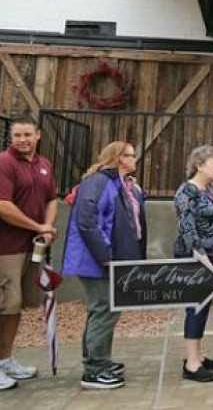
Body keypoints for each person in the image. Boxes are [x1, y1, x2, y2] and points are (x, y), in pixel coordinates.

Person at [62, 141, 147, 390]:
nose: (135, 159)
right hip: (97, 260)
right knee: (104, 309)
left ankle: (99, 360)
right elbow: (87, 221)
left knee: (104, 309)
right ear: (120, 158)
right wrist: (104, 254)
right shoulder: (98, 182)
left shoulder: (119, 183)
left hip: (110, 258)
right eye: (131, 155)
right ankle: (94, 369)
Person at [0, 116, 57, 391]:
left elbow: (52, 200)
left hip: (30, 248)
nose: (22, 140)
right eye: (17, 135)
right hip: (5, 248)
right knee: (3, 305)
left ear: (38, 136)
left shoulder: (44, 165)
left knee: (15, 306)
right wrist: (37, 225)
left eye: (27, 135)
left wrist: (47, 228)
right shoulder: (4, 163)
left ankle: (5, 359)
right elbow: (3, 205)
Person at [173, 145, 213, 382]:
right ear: (199, 165)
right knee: (196, 307)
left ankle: (199, 354)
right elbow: (187, 227)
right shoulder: (187, 192)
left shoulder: (208, 191)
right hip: (196, 257)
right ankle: (192, 363)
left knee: (203, 307)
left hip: (212, 255)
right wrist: (201, 256)